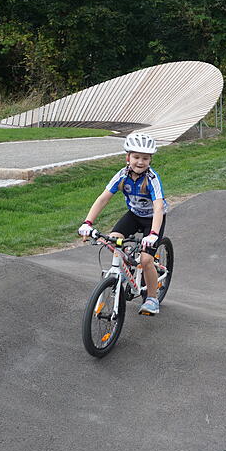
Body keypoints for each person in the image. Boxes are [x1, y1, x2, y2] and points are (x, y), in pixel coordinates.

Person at [78, 132, 168, 315]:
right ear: (128, 157)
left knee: (146, 260)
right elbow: (103, 199)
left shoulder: (151, 179)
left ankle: (151, 298)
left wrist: (153, 235)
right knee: (112, 240)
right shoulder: (121, 175)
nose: (140, 162)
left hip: (152, 220)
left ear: (150, 160)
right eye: (136, 157)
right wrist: (88, 222)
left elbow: (158, 208)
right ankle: (125, 271)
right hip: (134, 215)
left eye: (145, 158)